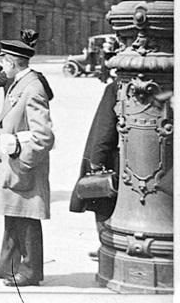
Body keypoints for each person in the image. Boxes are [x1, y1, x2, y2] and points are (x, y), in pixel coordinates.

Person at [0, 31, 54, 288]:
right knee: (12, 212)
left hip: (22, 164)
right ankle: (7, 264)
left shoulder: (32, 88)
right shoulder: (19, 82)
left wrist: (24, 162)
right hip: (12, 162)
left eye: (3, 62)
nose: (1, 66)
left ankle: (31, 270)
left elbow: (43, 136)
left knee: (27, 216)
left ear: (11, 63)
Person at [69, 81, 118, 261]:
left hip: (114, 158)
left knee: (102, 203)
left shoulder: (116, 87)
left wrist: (96, 160)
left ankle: (107, 248)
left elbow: (104, 127)